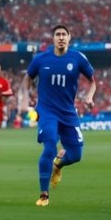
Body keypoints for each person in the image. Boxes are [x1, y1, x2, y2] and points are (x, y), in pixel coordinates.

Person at [22, 25, 95, 207]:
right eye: (57, 34)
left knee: (76, 154)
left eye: (64, 34)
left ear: (69, 38)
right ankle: (43, 194)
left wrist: (89, 96)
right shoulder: (41, 59)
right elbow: (28, 78)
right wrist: (25, 96)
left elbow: (92, 81)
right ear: (53, 39)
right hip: (47, 112)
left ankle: (57, 166)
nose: (61, 37)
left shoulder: (77, 58)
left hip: (68, 112)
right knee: (49, 148)